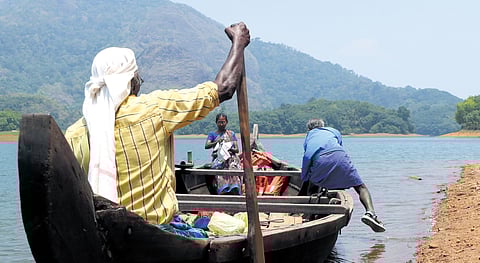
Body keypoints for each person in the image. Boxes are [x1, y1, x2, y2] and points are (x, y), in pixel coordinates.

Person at [64, 22, 250, 225]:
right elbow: (223, 88)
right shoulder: (154, 109)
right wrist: (238, 42)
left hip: (98, 233)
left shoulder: (73, 134)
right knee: (233, 226)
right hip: (153, 232)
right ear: (131, 82)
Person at [301, 118, 386, 232]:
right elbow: (337, 148)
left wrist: (305, 176)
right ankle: (370, 213)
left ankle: (310, 216)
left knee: (313, 187)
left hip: (319, 159)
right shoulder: (333, 131)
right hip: (340, 156)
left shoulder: (309, 135)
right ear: (323, 126)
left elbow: (308, 156)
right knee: (360, 187)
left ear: (309, 129)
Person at [204, 113, 242, 194]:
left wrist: (229, 149)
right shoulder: (212, 134)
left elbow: (237, 149)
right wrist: (217, 142)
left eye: (223, 122)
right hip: (218, 161)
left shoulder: (231, 134)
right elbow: (207, 146)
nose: (221, 124)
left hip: (231, 160)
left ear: (226, 122)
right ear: (216, 122)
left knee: (234, 174)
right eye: (219, 122)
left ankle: (234, 193)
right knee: (220, 177)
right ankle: (222, 193)